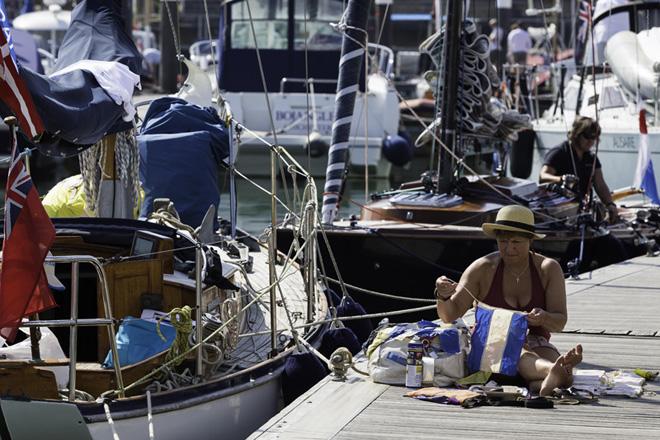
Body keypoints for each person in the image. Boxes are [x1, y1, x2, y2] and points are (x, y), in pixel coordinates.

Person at [434, 205, 583, 396]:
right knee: (528, 357)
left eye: (516, 242)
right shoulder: (483, 268)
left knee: (566, 377)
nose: (509, 248)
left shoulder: (548, 269)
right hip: (492, 344)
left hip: (535, 341)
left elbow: (559, 322)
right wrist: (442, 295)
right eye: (503, 241)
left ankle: (547, 379)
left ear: (530, 241)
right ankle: (551, 371)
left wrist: (544, 318)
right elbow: (449, 315)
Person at [539, 116, 618, 222]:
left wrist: (610, 204)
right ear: (577, 134)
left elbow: (600, 184)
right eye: (587, 137)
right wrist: (562, 179)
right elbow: (543, 176)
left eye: (593, 138)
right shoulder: (559, 152)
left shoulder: (591, 158)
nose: (590, 141)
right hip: (558, 213)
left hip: (582, 212)